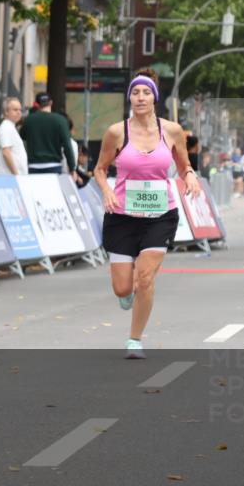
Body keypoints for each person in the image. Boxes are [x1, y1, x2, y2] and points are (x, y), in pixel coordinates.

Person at [93, 68, 201, 359]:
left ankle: (134, 339)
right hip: (122, 215)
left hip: (160, 214)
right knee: (122, 287)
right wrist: (107, 190)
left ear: (155, 97)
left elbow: (183, 163)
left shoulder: (173, 131)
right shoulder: (117, 132)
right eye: (135, 93)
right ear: (130, 98)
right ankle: (126, 295)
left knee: (146, 278)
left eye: (146, 92)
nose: (140, 97)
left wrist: (189, 175)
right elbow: (100, 170)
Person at [20, 92, 76, 178]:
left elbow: (22, 136)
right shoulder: (60, 120)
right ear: (51, 103)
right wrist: (72, 168)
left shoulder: (29, 120)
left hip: (33, 166)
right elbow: (67, 146)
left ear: (37, 104)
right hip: (54, 166)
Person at [0, 96, 27, 175]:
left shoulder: (10, 127)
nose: (19, 112)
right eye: (15, 110)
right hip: (9, 178)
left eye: (20, 110)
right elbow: (6, 152)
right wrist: (16, 174)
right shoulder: (6, 128)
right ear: (6, 112)